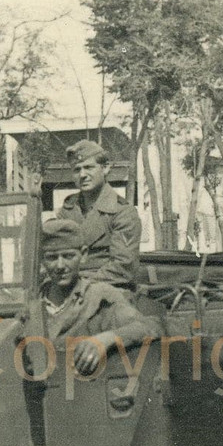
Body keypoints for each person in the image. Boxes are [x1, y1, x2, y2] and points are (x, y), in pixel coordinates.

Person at [40, 218, 160, 376]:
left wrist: (106, 339)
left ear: (83, 255)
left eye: (68, 256)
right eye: (52, 257)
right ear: (42, 259)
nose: (60, 266)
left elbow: (150, 325)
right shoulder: (32, 300)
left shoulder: (98, 295)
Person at [55, 139, 141, 290]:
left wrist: (80, 284)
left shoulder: (123, 213)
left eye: (89, 167)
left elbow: (123, 267)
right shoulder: (68, 209)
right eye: (77, 169)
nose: (82, 175)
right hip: (67, 289)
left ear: (106, 168)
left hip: (108, 290)